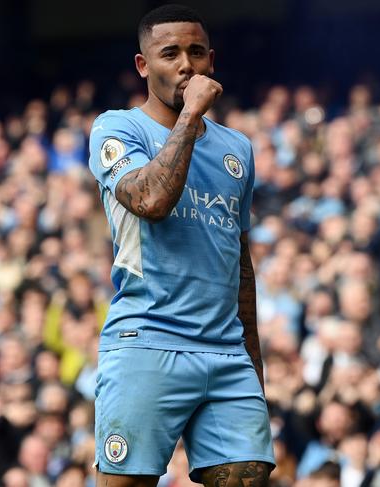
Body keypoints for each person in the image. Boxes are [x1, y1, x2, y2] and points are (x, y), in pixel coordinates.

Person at [87, 4, 274, 486]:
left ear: (212, 59)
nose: (186, 65)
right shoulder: (118, 129)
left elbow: (241, 261)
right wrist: (190, 114)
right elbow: (151, 199)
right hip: (148, 341)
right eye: (170, 54)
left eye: (196, 52)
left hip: (226, 352)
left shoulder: (238, 149)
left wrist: (253, 364)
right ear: (143, 65)